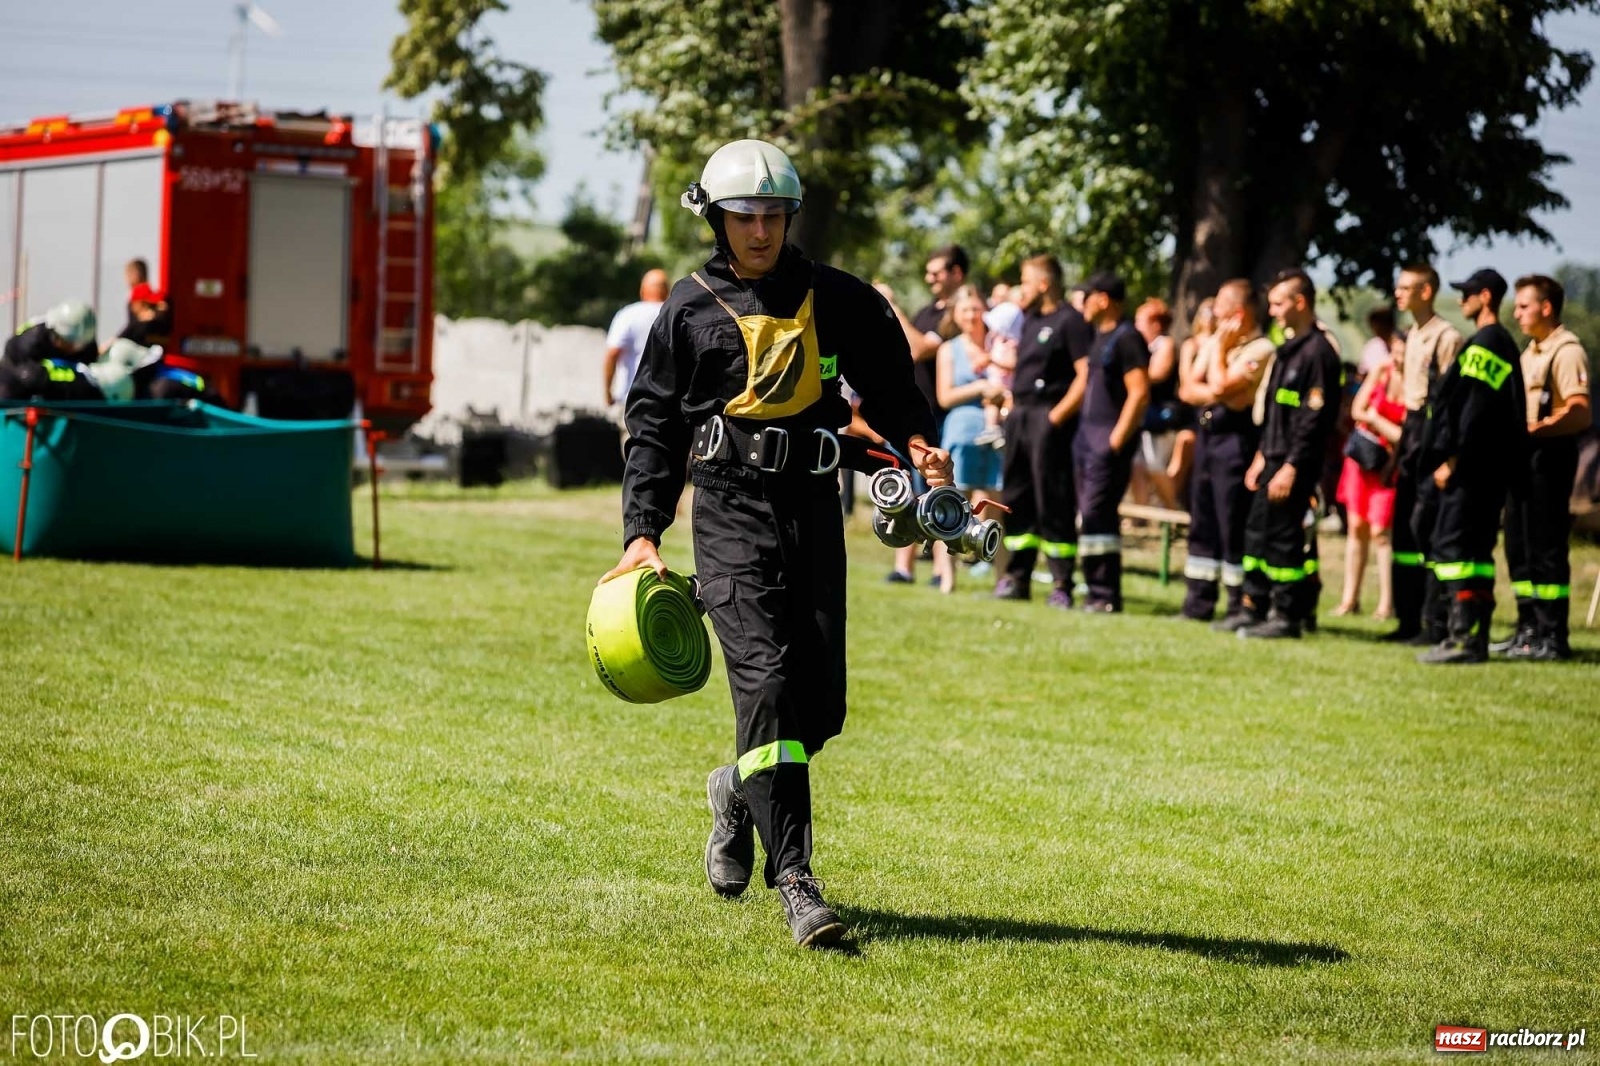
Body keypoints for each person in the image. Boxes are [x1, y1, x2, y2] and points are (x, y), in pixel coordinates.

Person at [600, 139, 950, 948]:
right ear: (715, 219)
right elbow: (653, 428)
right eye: (743, 216)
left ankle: (734, 788)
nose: (759, 230)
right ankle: (797, 880)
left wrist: (918, 443)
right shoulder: (686, 309)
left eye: (772, 215)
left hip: (814, 509)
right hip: (727, 513)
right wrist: (642, 532)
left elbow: (893, 389)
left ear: (790, 217)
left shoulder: (842, 298)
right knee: (765, 685)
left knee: (817, 708)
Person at [1415, 268, 1527, 664]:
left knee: (1455, 549)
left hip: (1470, 470)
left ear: (1486, 297)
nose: (1461, 300)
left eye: (1468, 293)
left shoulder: (1486, 344)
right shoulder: (1499, 342)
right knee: (1475, 553)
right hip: (1485, 469)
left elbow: (1475, 411)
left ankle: (1462, 638)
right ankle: (1472, 639)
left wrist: (1452, 459)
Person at [1238, 269, 1343, 639]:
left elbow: (1313, 421)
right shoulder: (1287, 349)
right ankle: (1253, 607)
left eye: (1278, 303)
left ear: (1300, 303)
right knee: (1257, 532)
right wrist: (1262, 455)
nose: (1272, 311)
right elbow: (1276, 412)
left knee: (1284, 538)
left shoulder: (1318, 353)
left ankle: (1287, 616)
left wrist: (1292, 466)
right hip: (1273, 457)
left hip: (1294, 463)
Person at [994, 254, 1094, 604]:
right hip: (1020, 417)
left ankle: (1061, 584)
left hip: (1048, 418)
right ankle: (1016, 578)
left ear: (1044, 284)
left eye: (1025, 281)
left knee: (1054, 498)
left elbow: (1085, 375)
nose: (1021, 289)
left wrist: (1056, 417)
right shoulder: (1030, 320)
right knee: (1016, 496)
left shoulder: (1071, 321)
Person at [1499, 274, 1591, 660]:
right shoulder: (1530, 352)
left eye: (1524, 306)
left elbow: (1580, 411)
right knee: (1518, 545)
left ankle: (1553, 635)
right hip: (1524, 458)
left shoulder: (1566, 351)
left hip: (1549, 457)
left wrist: (1537, 428)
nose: (1517, 313)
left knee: (1546, 546)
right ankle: (1528, 629)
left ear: (1546, 307)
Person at [1178, 281, 1275, 624]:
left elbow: (1221, 386)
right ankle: (1198, 602)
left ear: (1238, 314)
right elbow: (1188, 389)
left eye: (1219, 307)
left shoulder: (1260, 348)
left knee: (1231, 521)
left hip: (1236, 440)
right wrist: (1219, 391)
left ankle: (1238, 604)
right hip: (1209, 436)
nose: (1212, 313)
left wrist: (1218, 355)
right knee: (1202, 518)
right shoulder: (1217, 340)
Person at [1384, 264, 1462, 643]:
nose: (1398, 294)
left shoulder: (1445, 337)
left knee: (1427, 528)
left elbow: (1451, 402)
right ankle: (1407, 618)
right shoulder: (1412, 335)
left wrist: (1448, 457)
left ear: (1426, 292)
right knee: (1403, 530)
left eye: (1406, 288)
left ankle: (1436, 622)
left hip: (1433, 435)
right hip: (1411, 434)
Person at [881, 245, 968, 583]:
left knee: (938, 491)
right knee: (905, 487)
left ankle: (940, 569)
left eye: (937, 272)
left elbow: (918, 348)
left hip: (941, 418)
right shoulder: (926, 313)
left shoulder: (957, 314)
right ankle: (904, 566)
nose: (930, 278)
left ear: (957, 273)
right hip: (914, 416)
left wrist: (892, 307)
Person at [1074, 272, 1150, 612]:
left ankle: (1105, 594)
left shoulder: (1127, 337)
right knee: (1089, 515)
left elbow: (1140, 393)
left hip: (1106, 441)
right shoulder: (1097, 337)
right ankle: (1094, 590)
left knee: (1098, 514)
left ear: (1103, 299)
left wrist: (1115, 441)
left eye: (1087, 297)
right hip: (1085, 440)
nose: (1083, 305)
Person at [934, 285, 1006, 593]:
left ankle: (1002, 579)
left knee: (996, 507)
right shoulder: (949, 350)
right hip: (961, 431)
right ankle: (947, 578)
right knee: (949, 506)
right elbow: (945, 396)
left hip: (995, 434)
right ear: (956, 315)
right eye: (965, 310)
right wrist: (980, 388)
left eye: (976, 309)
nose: (972, 315)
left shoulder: (999, 345)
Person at [1333, 330, 1406, 618]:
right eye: (1395, 351)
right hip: (1361, 462)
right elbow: (1356, 410)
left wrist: (1374, 418)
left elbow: (1405, 436)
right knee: (1356, 528)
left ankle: (1387, 603)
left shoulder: (1415, 383)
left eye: (1403, 353)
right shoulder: (1381, 371)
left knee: (1381, 533)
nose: (1397, 358)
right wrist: (1382, 424)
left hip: (1388, 467)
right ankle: (1349, 599)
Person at [1131, 297, 1185, 510]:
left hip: (1160, 417)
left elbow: (1157, 373)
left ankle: (1173, 510)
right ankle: (1141, 515)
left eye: (1140, 321)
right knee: (1137, 465)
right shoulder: (1142, 346)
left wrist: (1131, 372)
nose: (1136, 326)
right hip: (1142, 416)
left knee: (1154, 465)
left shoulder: (1165, 344)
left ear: (1155, 324)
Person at [0, 300, 101, 400]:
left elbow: (90, 375)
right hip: (22, 378)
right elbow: (24, 375)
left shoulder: (85, 342)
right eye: (71, 344)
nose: (76, 349)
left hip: (59, 385)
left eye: (80, 345)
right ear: (56, 335)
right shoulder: (29, 343)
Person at [602, 269, 669, 411]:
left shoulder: (628, 315)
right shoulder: (674, 314)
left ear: (642, 290)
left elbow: (612, 353)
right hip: (667, 400)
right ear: (667, 290)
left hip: (632, 400)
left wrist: (608, 393)